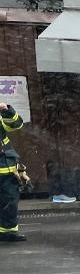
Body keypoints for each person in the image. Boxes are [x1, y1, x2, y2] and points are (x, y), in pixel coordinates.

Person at [0, 101, 26, 242]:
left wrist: (6, 110)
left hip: (7, 170)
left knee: (10, 201)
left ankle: (8, 232)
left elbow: (16, 124)